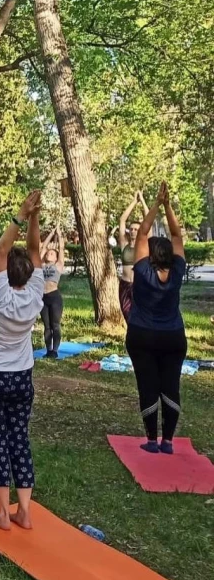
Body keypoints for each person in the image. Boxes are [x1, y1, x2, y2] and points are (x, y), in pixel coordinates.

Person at [0, 190, 45, 531]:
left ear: (3, 272)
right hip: (20, 378)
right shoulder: (34, 292)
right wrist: (34, 218)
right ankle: (24, 511)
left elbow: (2, 249)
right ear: (29, 273)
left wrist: (20, 214)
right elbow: (34, 250)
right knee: (19, 437)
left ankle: (3, 513)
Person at [125, 182, 187, 454]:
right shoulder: (177, 271)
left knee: (147, 383)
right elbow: (177, 235)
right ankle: (169, 442)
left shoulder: (142, 271)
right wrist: (167, 205)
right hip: (173, 336)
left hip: (142, 335)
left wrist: (155, 204)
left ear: (150, 255)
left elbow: (142, 232)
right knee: (170, 384)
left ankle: (152, 440)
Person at [118, 190, 149, 321]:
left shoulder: (145, 244)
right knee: (126, 313)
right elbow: (122, 220)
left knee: (141, 314)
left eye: (136, 229)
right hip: (125, 284)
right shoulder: (124, 243)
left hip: (139, 285)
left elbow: (149, 219)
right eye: (131, 229)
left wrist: (142, 200)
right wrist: (133, 202)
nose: (133, 231)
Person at [39, 226, 66, 359]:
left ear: (56, 258)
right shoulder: (42, 265)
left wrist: (59, 234)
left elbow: (61, 248)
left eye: (52, 253)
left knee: (55, 325)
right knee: (47, 325)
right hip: (42, 297)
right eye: (48, 253)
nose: (49, 254)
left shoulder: (58, 265)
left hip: (54, 297)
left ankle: (55, 350)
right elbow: (43, 247)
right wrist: (50, 234)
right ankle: (48, 350)